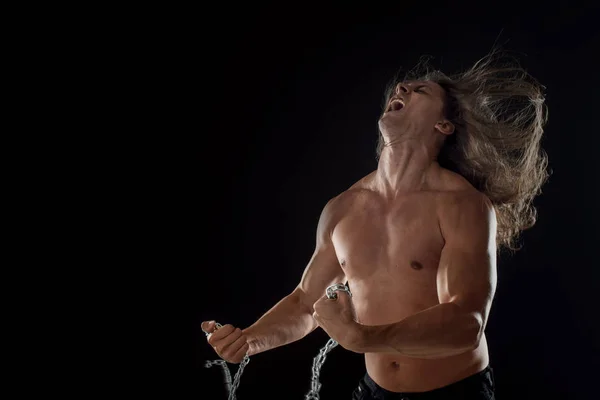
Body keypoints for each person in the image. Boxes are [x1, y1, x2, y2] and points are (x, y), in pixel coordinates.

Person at [202, 49, 549, 399]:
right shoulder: (343, 208)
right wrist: (250, 340)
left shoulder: (462, 205)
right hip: (374, 391)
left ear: (443, 125)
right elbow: (306, 302)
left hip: (456, 391)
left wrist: (364, 338)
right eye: (402, 88)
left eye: (419, 90)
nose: (401, 88)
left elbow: (465, 323)